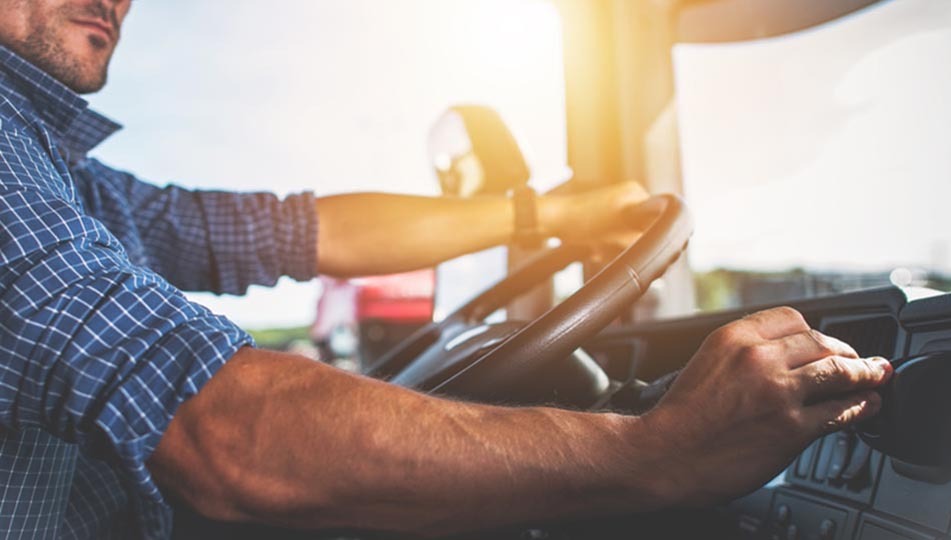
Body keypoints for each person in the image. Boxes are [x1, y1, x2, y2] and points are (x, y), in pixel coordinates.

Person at [0, 1, 893, 538]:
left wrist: (544, 214)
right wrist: (656, 451)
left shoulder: (61, 167)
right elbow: (220, 430)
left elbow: (279, 231)